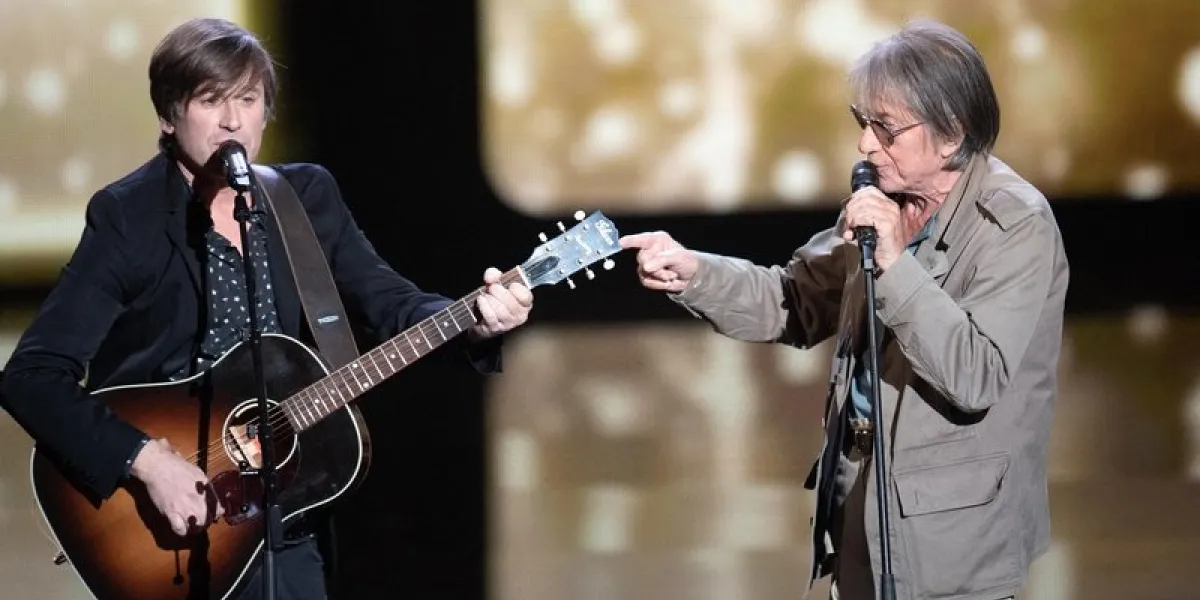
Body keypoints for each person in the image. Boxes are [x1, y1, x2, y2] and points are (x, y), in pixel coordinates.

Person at [0, 17, 532, 600]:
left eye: (248, 100)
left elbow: (392, 303)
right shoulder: (128, 218)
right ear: (168, 116)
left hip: (283, 521)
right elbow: (32, 378)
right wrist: (148, 462)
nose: (233, 120)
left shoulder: (303, 198)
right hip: (164, 524)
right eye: (211, 100)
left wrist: (478, 321)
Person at [621, 20, 1068, 600]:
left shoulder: (1015, 226)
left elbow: (976, 373)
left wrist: (894, 263)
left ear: (952, 134)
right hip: (860, 522)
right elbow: (794, 300)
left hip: (953, 547)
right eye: (863, 124)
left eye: (886, 129)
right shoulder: (881, 204)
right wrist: (694, 272)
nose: (864, 145)